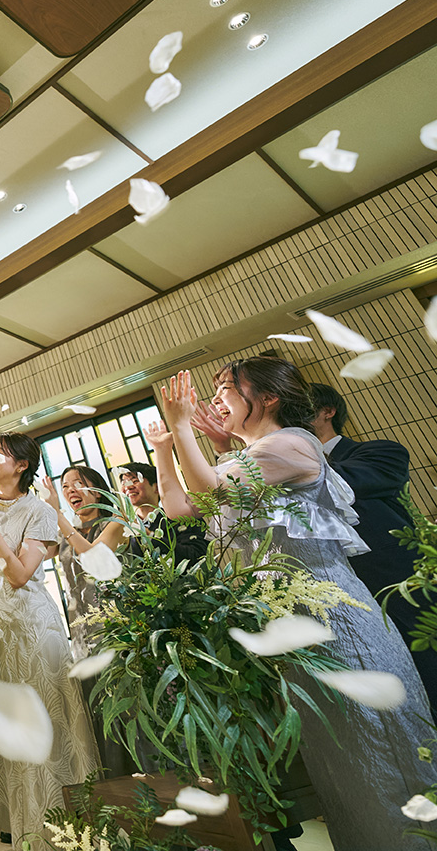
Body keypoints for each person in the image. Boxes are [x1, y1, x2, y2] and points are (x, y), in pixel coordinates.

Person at [148, 363, 433, 850]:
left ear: (269, 397)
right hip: (293, 626)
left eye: (225, 389)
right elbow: (180, 508)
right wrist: (162, 448)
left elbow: (209, 490)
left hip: (335, 620)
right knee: (340, 758)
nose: (214, 400)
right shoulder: (252, 455)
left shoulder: (291, 444)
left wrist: (181, 428)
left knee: (377, 742)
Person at [0, 433, 99, 846]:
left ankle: (67, 832)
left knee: (45, 726)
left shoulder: (39, 510)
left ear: (21, 465)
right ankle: (29, 834)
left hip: (33, 628)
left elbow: (18, 575)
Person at [308, 382, 436, 717]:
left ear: (327, 411)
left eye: (301, 408)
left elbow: (333, 484)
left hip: (400, 588)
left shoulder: (382, 452)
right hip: (341, 599)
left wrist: (282, 454)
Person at [38, 465, 124, 658]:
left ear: (98, 492)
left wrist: (58, 514)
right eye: (65, 487)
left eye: (78, 484)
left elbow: (93, 556)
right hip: (80, 631)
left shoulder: (117, 521)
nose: (70, 490)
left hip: (116, 627)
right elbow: (30, 555)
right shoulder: (65, 534)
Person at [115, 462, 207, 565]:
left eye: (135, 481)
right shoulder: (125, 528)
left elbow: (197, 556)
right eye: (124, 483)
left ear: (157, 487)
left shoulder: (182, 517)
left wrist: (149, 536)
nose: (128, 487)